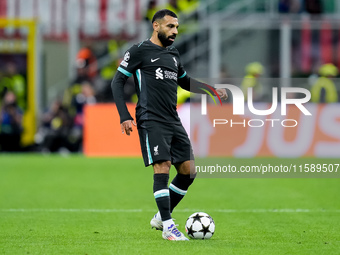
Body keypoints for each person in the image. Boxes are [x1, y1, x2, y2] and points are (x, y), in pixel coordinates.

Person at [111, 9, 227, 241]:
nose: (175, 31)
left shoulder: (173, 54)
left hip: (172, 120)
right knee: (162, 166)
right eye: (170, 26)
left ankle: (160, 216)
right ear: (156, 26)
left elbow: (185, 81)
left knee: (188, 171)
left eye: (176, 27)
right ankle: (168, 226)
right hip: (150, 118)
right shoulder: (139, 51)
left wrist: (211, 90)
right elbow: (117, 81)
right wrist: (124, 116)